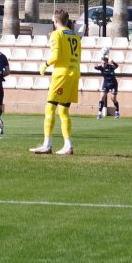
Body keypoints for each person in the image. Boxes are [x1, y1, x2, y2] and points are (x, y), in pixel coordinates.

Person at [31, 9, 81, 155]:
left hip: (62, 74)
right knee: (64, 110)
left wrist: (44, 65)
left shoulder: (56, 34)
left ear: (56, 20)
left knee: (50, 108)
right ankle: (68, 145)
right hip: (74, 73)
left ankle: (47, 144)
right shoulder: (75, 36)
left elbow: (56, 56)